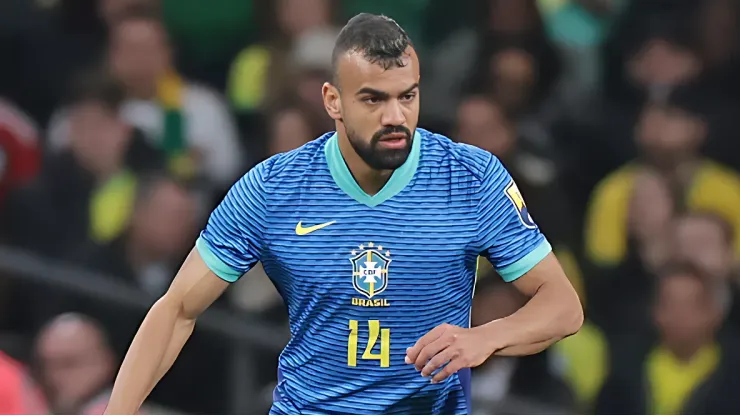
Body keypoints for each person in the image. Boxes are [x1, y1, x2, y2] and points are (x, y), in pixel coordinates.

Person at [105, 13, 583, 415]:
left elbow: (562, 305)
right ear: (333, 100)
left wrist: (487, 337)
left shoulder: (469, 178)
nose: (395, 116)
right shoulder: (274, 188)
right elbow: (176, 310)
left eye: (407, 96)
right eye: (373, 99)